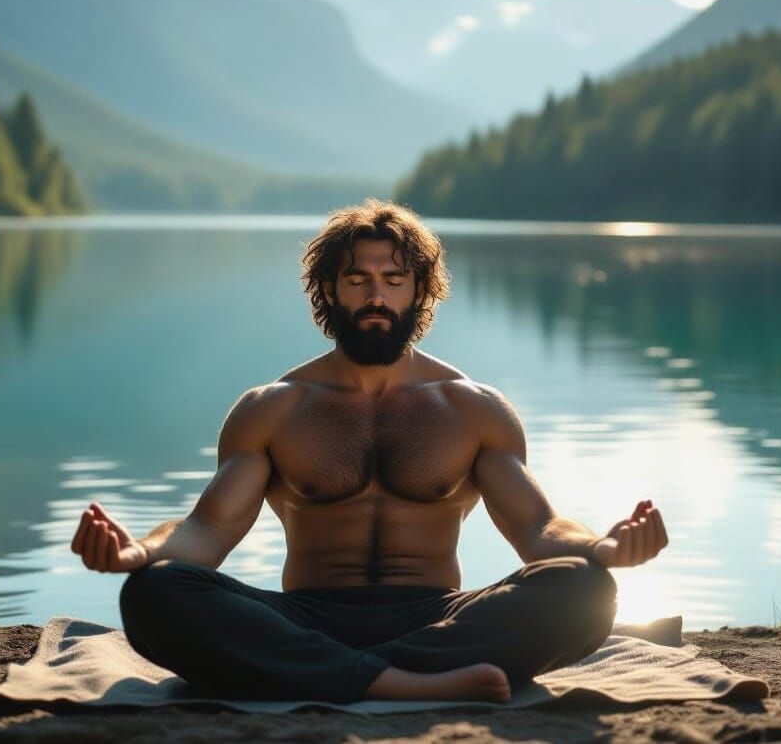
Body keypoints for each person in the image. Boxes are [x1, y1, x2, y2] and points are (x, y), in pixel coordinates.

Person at [70, 199, 668, 704]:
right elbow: (207, 531)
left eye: (393, 280)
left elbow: (538, 526)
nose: (375, 296)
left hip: (439, 618)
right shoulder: (273, 408)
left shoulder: (473, 408)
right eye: (358, 280)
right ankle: (404, 683)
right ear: (330, 289)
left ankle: (340, 673)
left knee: (584, 586)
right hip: (306, 615)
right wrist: (138, 551)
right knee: (157, 590)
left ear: (419, 292)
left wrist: (601, 546)